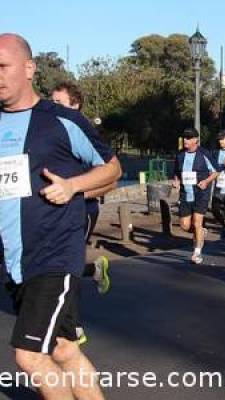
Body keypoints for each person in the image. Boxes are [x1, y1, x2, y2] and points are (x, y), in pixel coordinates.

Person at [0, 33, 121, 399]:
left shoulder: (62, 121)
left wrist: (72, 186)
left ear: (29, 68)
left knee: (29, 357)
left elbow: (112, 170)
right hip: (14, 261)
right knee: (64, 350)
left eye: (3, 66)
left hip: (53, 257)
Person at [51, 81, 113, 295]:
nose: (53, 107)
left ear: (75, 105)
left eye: (59, 102)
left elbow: (111, 179)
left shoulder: (86, 139)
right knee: (56, 265)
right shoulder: (53, 138)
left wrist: (76, 191)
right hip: (56, 211)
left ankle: (73, 326)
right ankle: (94, 269)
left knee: (67, 267)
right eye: (52, 102)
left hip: (83, 209)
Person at [174, 128, 218, 264]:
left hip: (201, 194)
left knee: (197, 222)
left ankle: (197, 253)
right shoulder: (180, 155)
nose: (185, 140)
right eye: (184, 138)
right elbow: (176, 172)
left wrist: (206, 181)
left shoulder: (204, 154)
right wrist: (176, 181)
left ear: (195, 140)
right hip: (185, 194)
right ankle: (200, 232)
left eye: (188, 138)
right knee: (184, 226)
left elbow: (216, 172)